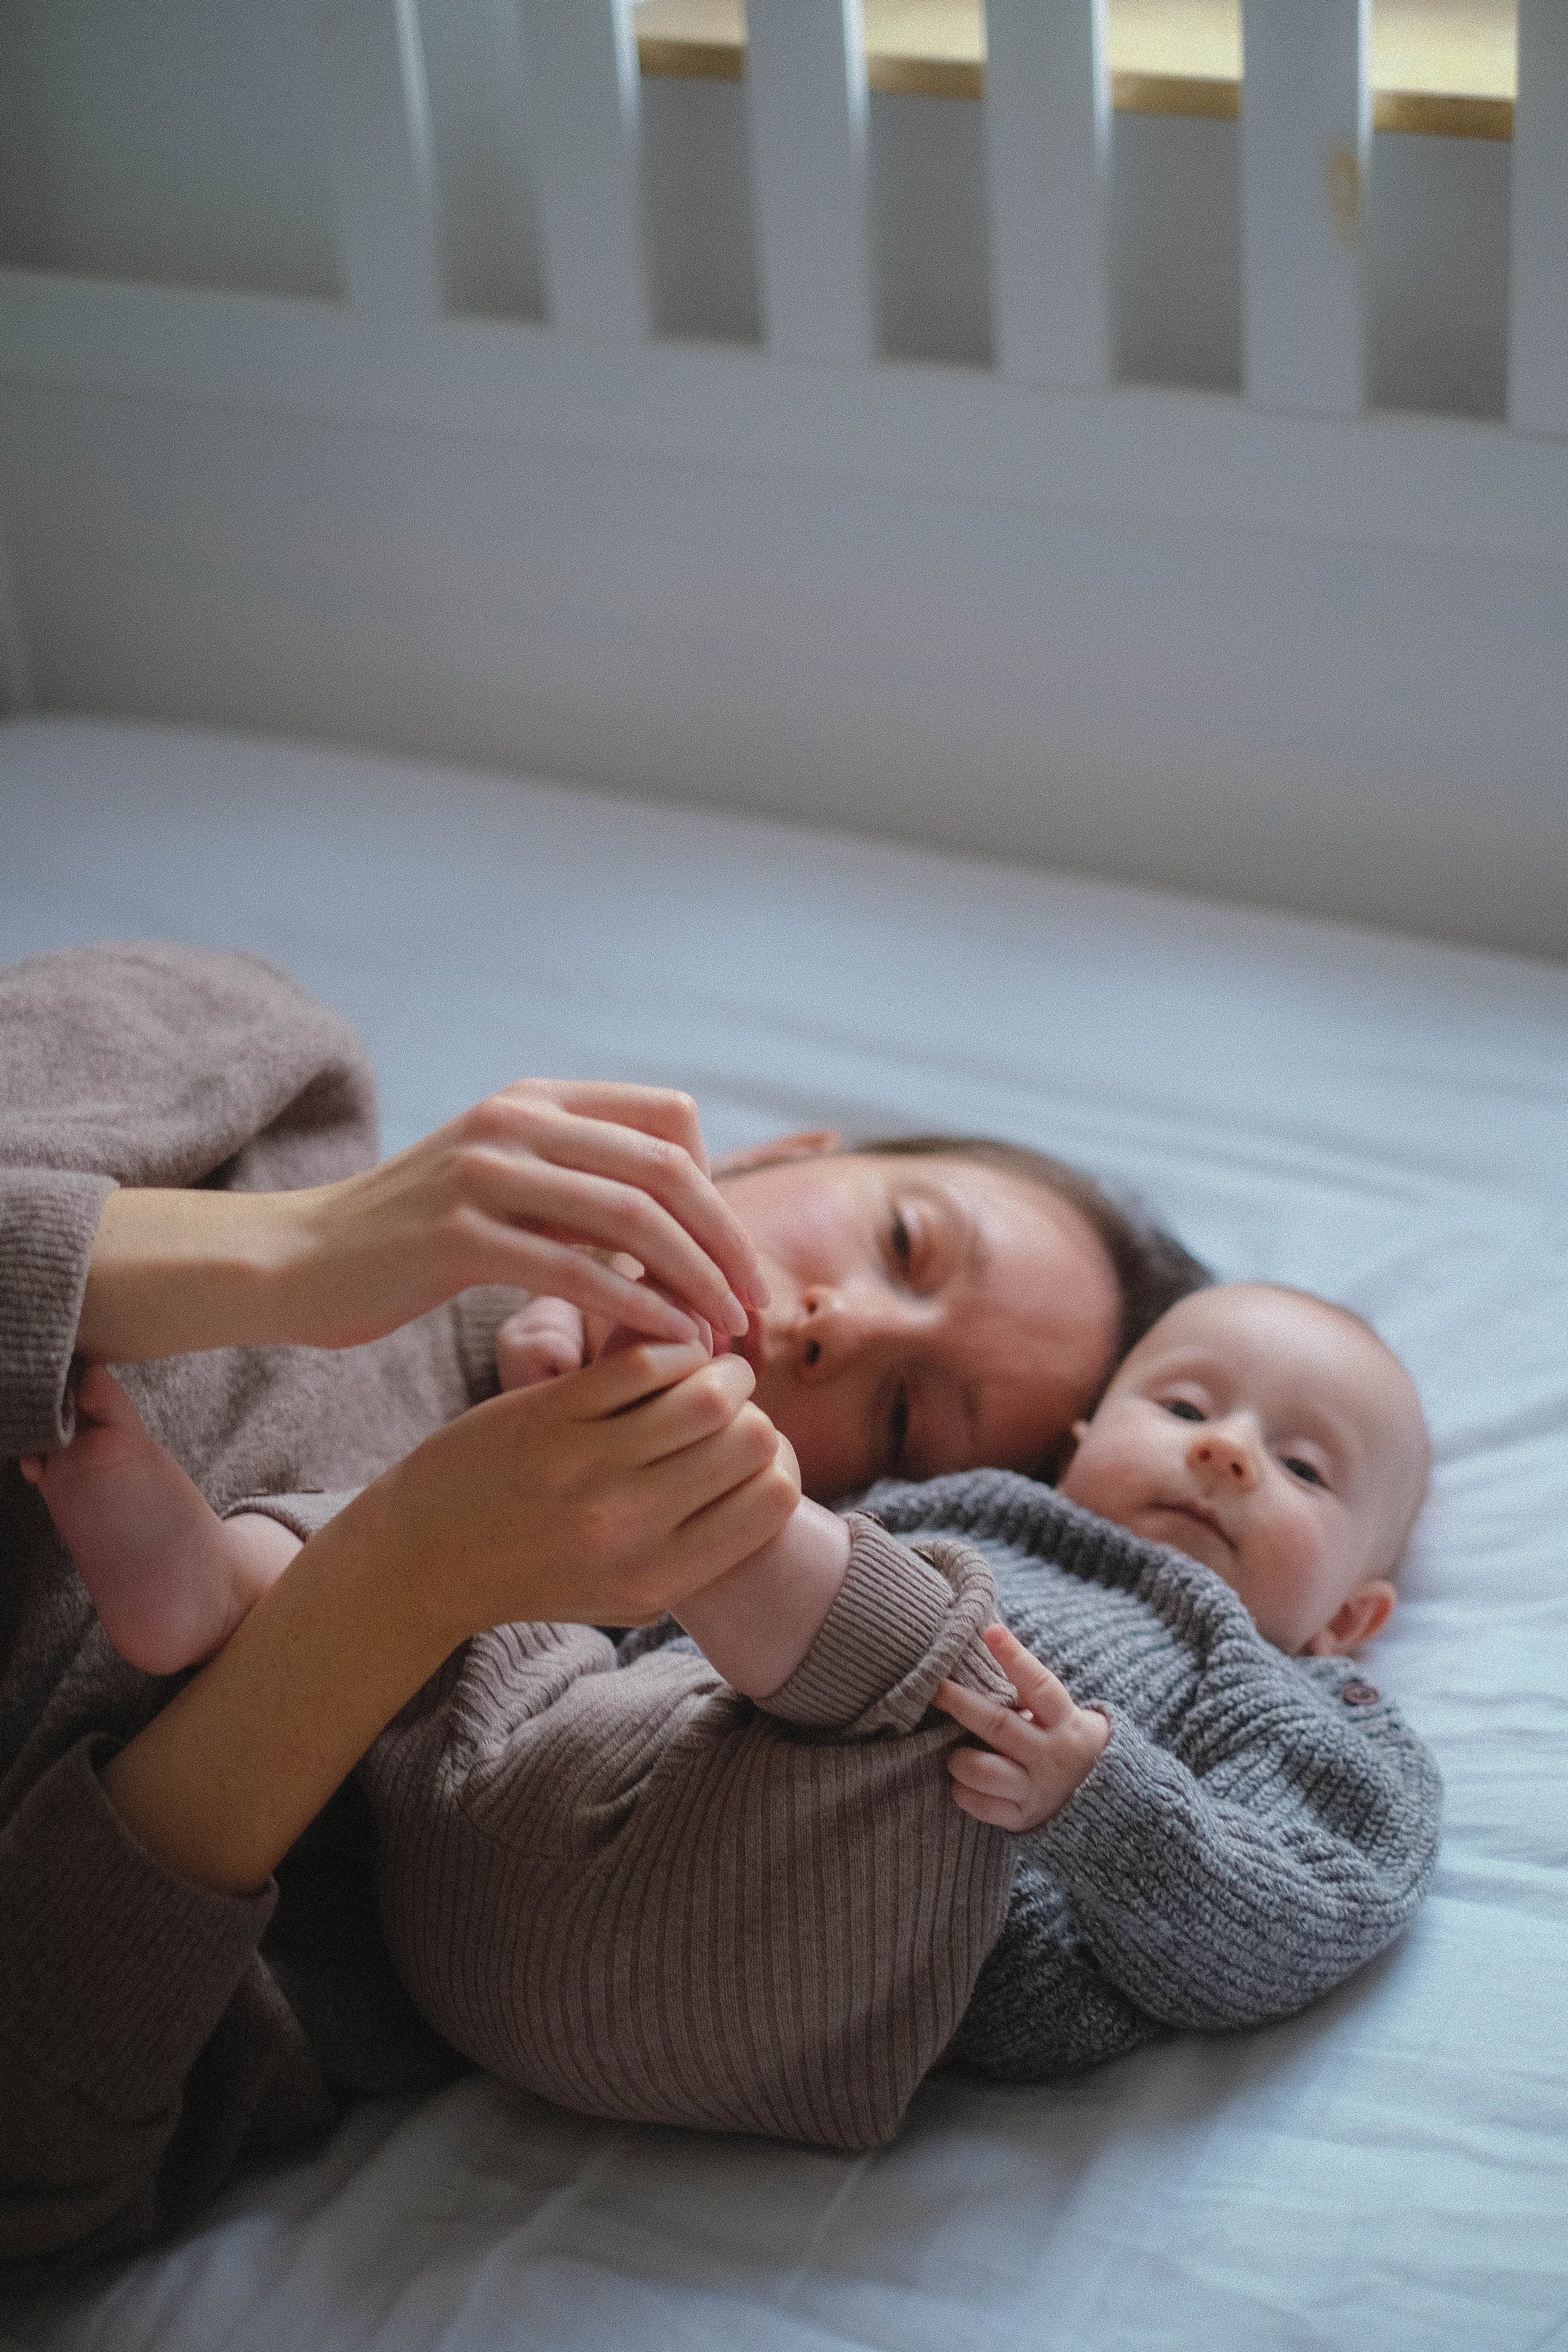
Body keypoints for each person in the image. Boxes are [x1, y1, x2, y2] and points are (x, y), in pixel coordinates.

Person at [0, 939, 1196, 2280]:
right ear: (779, 1152)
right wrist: (282, 1253)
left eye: (904, 1422)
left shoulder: (518, 1747)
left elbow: (30, 2178)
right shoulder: (261, 1076)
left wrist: (404, 1581)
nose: (836, 1331)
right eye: (899, 1241)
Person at [51, 1281, 1439, 2150]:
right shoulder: (929, 1513)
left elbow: (1307, 1909)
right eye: (1184, 1403)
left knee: (928, 1661)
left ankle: (694, 1502)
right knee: (479, 1573)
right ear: (1073, 1446)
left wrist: (1103, 1803)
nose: (1222, 1450)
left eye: (1302, 1468)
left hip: (797, 1946)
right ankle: (234, 1581)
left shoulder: (1288, 1696)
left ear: (1350, 1618)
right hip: (529, 1807)